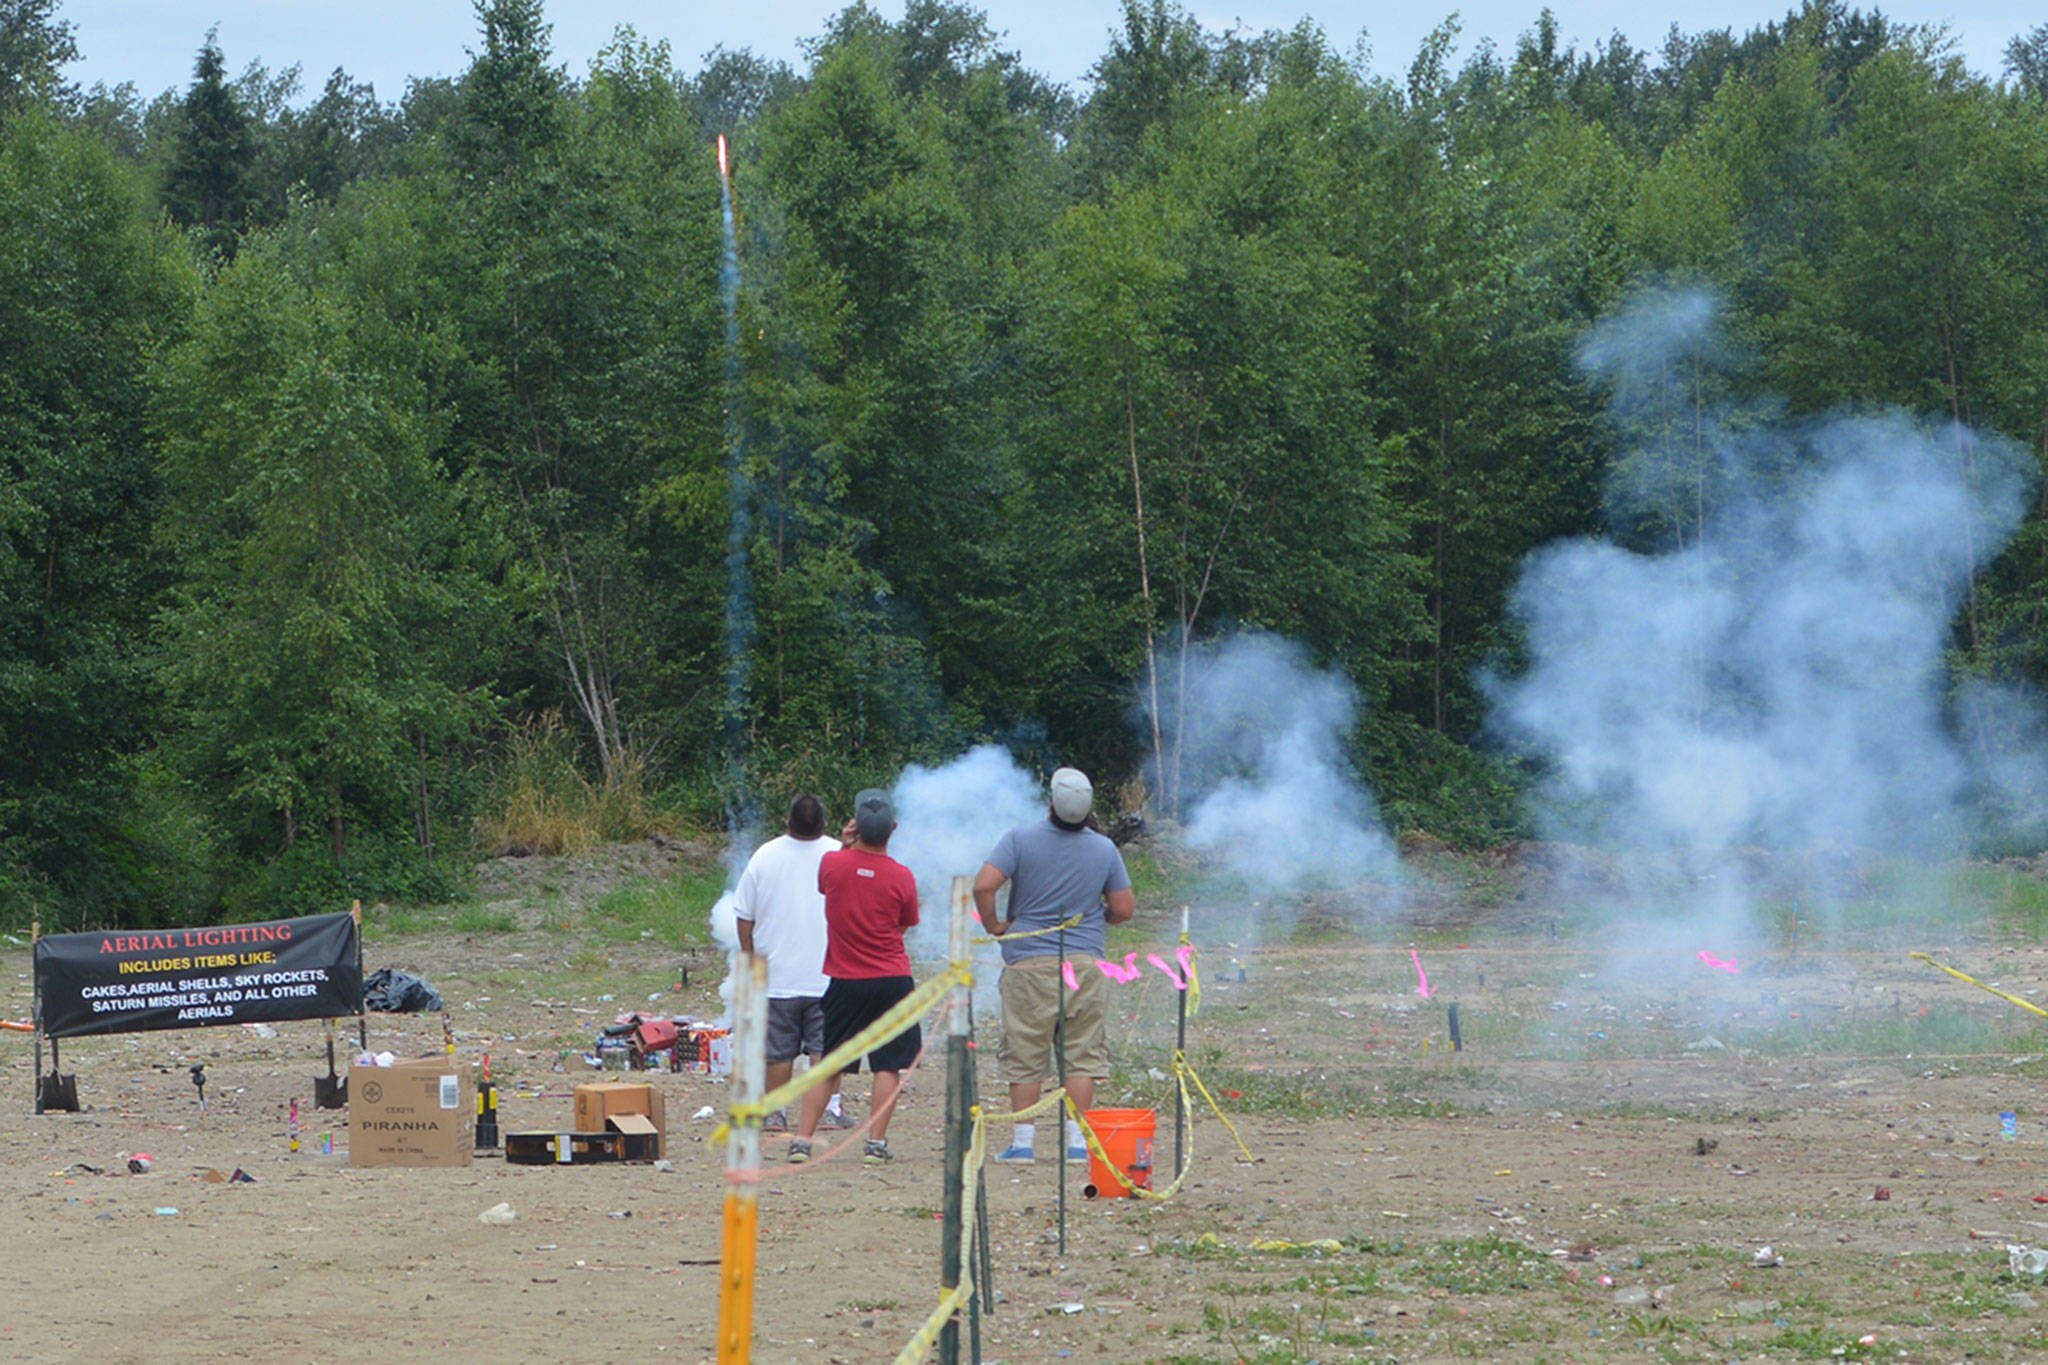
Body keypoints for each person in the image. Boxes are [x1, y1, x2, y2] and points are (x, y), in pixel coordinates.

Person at [973, 766, 1134, 1163]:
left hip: (1028, 964)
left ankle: (1023, 1143)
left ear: (1051, 804)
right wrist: (1101, 920)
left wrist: (995, 925)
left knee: (1026, 1050)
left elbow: (983, 885)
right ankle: (1078, 1144)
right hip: (1084, 964)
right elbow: (1124, 908)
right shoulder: (1104, 849)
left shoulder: (1018, 838)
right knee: (1082, 1054)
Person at [793, 787, 921, 1164]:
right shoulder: (902, 876)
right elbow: (905, 924)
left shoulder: (833, 863)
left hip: (845, 979)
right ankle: (875, 1144)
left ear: (854, 826)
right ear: (893, 829)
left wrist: (848, 847)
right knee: (887, 1064)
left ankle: (802, 1140)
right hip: (892, 979)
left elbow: (826, 884)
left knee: (830, 1062)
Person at [732, 793, 852, 1157]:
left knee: (779, 1053)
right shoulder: (837, 856)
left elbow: (744, 915)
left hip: (777, 974)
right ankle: (829, 1108)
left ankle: (776, 1113)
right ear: (825, 823)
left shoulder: (764, 856)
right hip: (828, 973)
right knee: (824, 1050)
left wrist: (750, 954)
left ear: (787, 822)